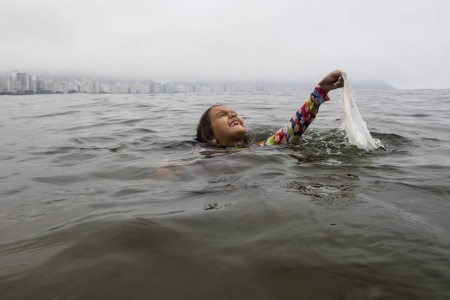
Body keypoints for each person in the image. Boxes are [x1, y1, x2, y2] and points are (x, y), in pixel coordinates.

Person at [196, 70, 344, 148]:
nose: (232, 114)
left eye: (233, 112)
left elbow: (293, 128)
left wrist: (320, 91)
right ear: (212, 138)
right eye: (222, 115)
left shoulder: (259, 147)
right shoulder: (204, 158)